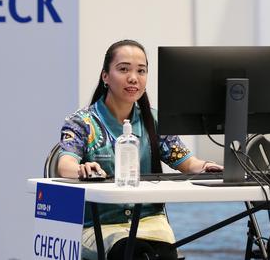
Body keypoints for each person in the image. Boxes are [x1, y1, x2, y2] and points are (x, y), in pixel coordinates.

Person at [53, 39, 223, 260]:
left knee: (161, 255)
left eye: (141, 71)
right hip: (98, 226)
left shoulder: (154, 120)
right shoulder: (82, 122)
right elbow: (64, 165)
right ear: (105, 76)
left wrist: (207, 166)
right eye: (123, 69)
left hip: (150, 222)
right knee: (134, 254)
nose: (133, 77)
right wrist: (81, 170)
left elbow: (187, 163)